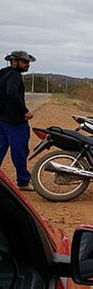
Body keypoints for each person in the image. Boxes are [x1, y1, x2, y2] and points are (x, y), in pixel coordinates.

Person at [0, 50, 37, 190]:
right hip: (15, 120)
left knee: (0, 148)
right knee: (19, 151)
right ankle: (23, 181)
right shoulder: (15, 75)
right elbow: (11, 92)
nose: (27, 65)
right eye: (24, 62)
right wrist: (25, 111)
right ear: (14, 61)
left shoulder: (3, 73)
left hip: (2, 119)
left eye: (28, 62)